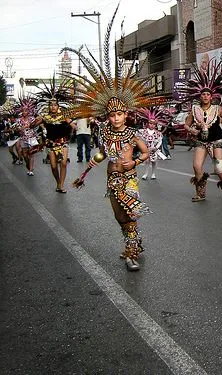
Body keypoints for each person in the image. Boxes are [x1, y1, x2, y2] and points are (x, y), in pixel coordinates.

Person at [63, 4, 163, 271]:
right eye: (112, 114)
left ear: (126, 114)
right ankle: (134, 242)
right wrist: (85, 172)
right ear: (107, 117)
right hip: (111, 177)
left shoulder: (132, 133)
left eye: (120, 113)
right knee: (119, 216)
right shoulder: (104, 131)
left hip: (128, 178)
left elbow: (146, 152)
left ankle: (131, 252)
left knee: (130, 213)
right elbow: (100, 153)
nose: (116, 117)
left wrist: (136, 163)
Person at [180, 60, 222, 202]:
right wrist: (192, 131)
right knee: (196, 166)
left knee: (219, 167)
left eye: (208, 95)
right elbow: (186, 125)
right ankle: (201, 193)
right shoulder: (194, 110)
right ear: (200, 97)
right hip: (201, 141)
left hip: (216, 140)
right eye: (203, 95)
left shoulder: (217, 109)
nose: (205, 97)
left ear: (211, 97)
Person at [31, 81, 75, 193]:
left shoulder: (64, 115)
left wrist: (72, 123)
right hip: (50, 143)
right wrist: (34, 122)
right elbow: (32, 126)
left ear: (58, 106)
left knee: (64, 163)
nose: (53, 106)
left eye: (55, 105)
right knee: (54, 166)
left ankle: (61, 185)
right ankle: (58, 183)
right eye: (51, 105)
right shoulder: (45, 116)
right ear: (49, 106)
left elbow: (74, 126)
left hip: (63, 142)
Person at [137, 114, 164, 180]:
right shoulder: (142, 132)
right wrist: (143, 147)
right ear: (148, 123)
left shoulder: (158, 133)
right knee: (147, 161)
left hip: (154, 150)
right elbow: (139, 139)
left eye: (154, 124)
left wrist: (156, 147)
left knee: (154, 161)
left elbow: (160, 141)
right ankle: (145, 174)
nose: (152, 125)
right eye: (150, 123)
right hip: (146, 149)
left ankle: (153, 173)